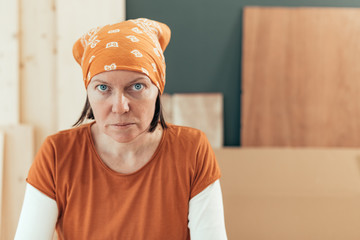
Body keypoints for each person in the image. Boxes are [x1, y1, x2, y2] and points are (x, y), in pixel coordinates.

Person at [15, 18, 227, 240]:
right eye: (103, 87)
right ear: (89, 92)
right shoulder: (57, 154)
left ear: (158, 89)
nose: (120, 107)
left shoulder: (192, 150)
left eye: (137, 86)